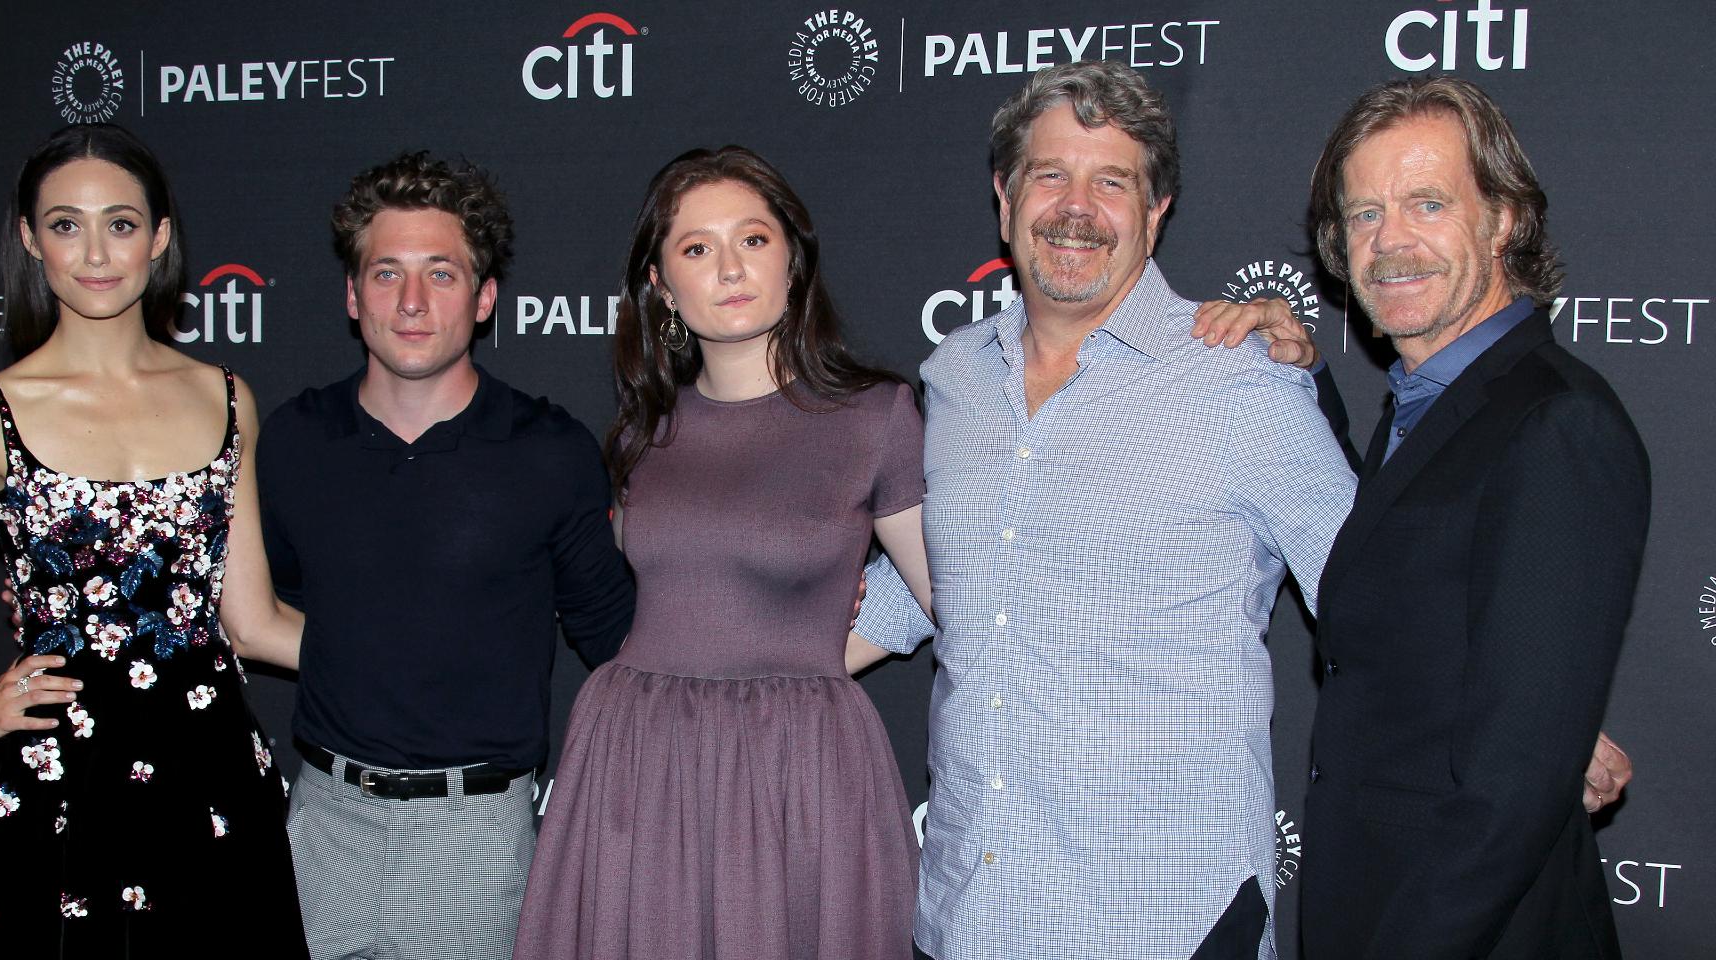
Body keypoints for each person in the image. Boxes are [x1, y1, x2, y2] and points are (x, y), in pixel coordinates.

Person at [855, 62, 1636, 960]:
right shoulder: (954, 379)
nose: (1076, 207)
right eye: (1048, 174)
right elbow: (951, 567)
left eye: (1112, 182)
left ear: (1156, 213)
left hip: (1162, 920)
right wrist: (731, 658)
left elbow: (1380, 586)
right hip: (967, 913)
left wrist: (1541, 720)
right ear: (1004, 196)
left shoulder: (1239, 379)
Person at [0, 124, 306, 955]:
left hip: (208, 776)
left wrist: (399, 661)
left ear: (162, 237)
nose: (97, 252)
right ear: (32, 240)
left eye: (122, 223)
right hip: (62, 781)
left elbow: (250, 621)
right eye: (67, 224)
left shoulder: (226, 398)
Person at [511, 146, 936, 959]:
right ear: (663, 288)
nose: (731, 267)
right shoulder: (643, 432)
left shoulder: (875, 418)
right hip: (637, 760)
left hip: (799, 771)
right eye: (697, 249)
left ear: (793, 260)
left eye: (754, 239)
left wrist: (810, 659)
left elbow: (945, 597)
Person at [1298, 76, 1649, 959]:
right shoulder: (1425, 409)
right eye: (1365, 213)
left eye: (1427, 203)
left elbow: (1514, 790)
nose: (1391, 242)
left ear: (1503, 220)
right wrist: (1307, 382)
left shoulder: (1556, 424)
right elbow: (1417, 576)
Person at [256, 151, 635, 960]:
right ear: (352, 297)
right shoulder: (293, 441)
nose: (414, 301)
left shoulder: (551, 452)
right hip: (322, 824)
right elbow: (251, 605)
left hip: (475, 838)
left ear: (486, 297)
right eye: (387, 274)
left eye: (443, 273)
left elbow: (620, 639)